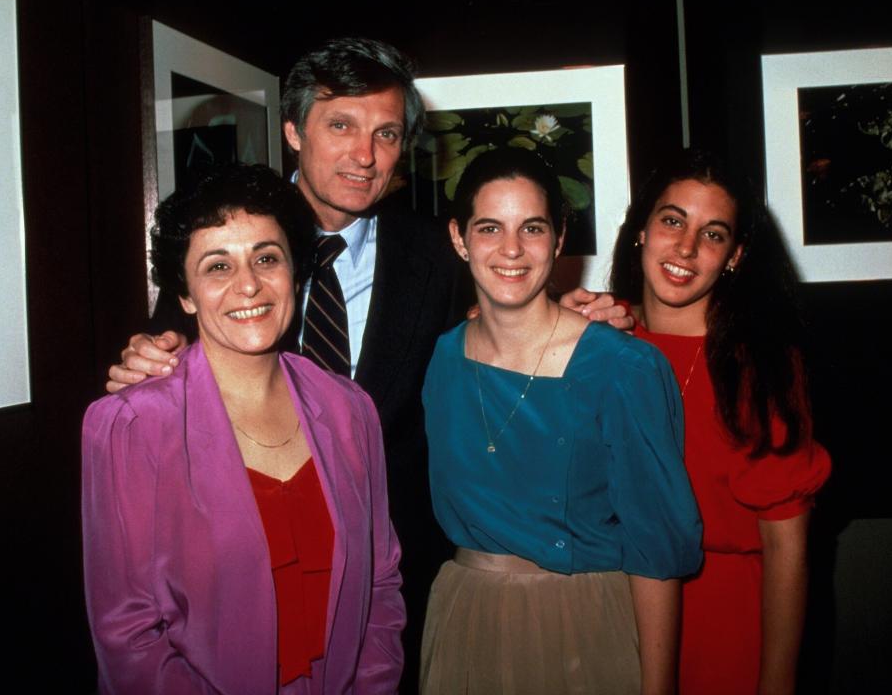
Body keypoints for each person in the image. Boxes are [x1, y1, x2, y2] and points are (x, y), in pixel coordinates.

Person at [104, 37, 629, 692]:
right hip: (232, 594)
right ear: (294, 131)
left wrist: (581, 314)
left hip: (383, 590)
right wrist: (148, 357)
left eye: (385, 133)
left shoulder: (435, 257)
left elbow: (503, 326)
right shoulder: (230, 240)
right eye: (341, 126)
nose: (364, 155)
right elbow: (170, 363)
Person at [82, 164, 404, 694]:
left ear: (295, 274)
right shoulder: (130, 426)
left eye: (266, 258)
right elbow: (129, 633)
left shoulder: (350, 410)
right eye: (217, 266)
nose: (249, 284)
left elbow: (381, 584)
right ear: (185, 294)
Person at [420, 148, 702, 695]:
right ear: (459, 238)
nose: (511, 250)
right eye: (489, 228)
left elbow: (656, 553)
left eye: (532, 227)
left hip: (583, 625)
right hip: (464, 622)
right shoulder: (441, 358)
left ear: (559, 237)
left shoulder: (625, 367)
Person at [610, 148, 832, 695]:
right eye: (672, 220)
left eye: (713, 234)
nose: (685, 247)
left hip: (722, 624)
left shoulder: (760, 366)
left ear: (734, 255)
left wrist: (776, 683)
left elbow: (787, 548)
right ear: (641, 229)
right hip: (610, 615)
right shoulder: (599, 339)